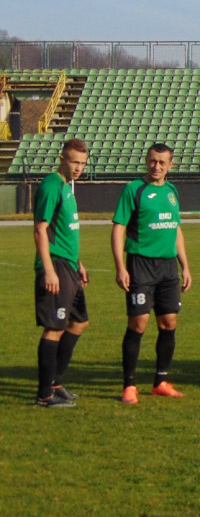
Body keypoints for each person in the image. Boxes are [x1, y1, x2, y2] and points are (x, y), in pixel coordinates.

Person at [112, 143, 193, 404]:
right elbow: (118, 229)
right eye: (152, 161)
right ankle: (129, 386)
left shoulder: (172, 191)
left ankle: (160, 381)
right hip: (141, 265)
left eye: (162, 162)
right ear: (146, 161)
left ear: (171, 165)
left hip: (168, 268)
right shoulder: (133, 190)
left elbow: (176, 229)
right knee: (138, 324)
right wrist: (120, 266)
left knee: (169, 323)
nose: (156, 166)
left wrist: (185, 266)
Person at [32, 139, 91, 407]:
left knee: (79, 322)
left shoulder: (68, 187)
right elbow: (40, 229)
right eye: (74, 161)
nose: (78, 167)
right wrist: (48, 270)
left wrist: (78, 262)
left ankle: (56, 382)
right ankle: (45, 394)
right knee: (54, 328)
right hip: (55, 265)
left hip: (69, 265)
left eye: (82, 163)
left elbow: (66, 229)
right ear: (62, 159)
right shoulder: (51, 185)